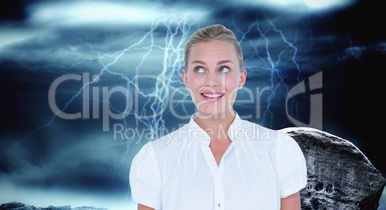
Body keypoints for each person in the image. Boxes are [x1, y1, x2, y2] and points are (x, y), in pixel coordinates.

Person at [129, 24, 307, 210]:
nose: (211, 82)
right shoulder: (155, 159)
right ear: (186, 78)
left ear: (241, 78)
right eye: (199, 69)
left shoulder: (278, 150)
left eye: (223, 69)